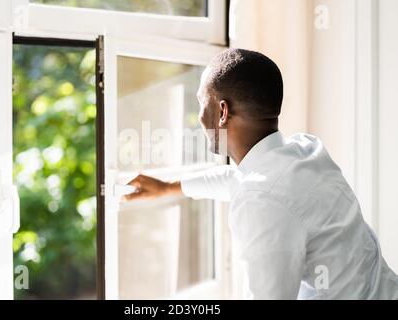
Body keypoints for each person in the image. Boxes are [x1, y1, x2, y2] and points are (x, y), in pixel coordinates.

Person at [123, 48, 398, 299]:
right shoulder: (304, 150)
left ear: (222, 111)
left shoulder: (262, 200)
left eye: (201, 101)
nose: (198, 116)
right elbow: (237, 180)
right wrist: (169, 187)